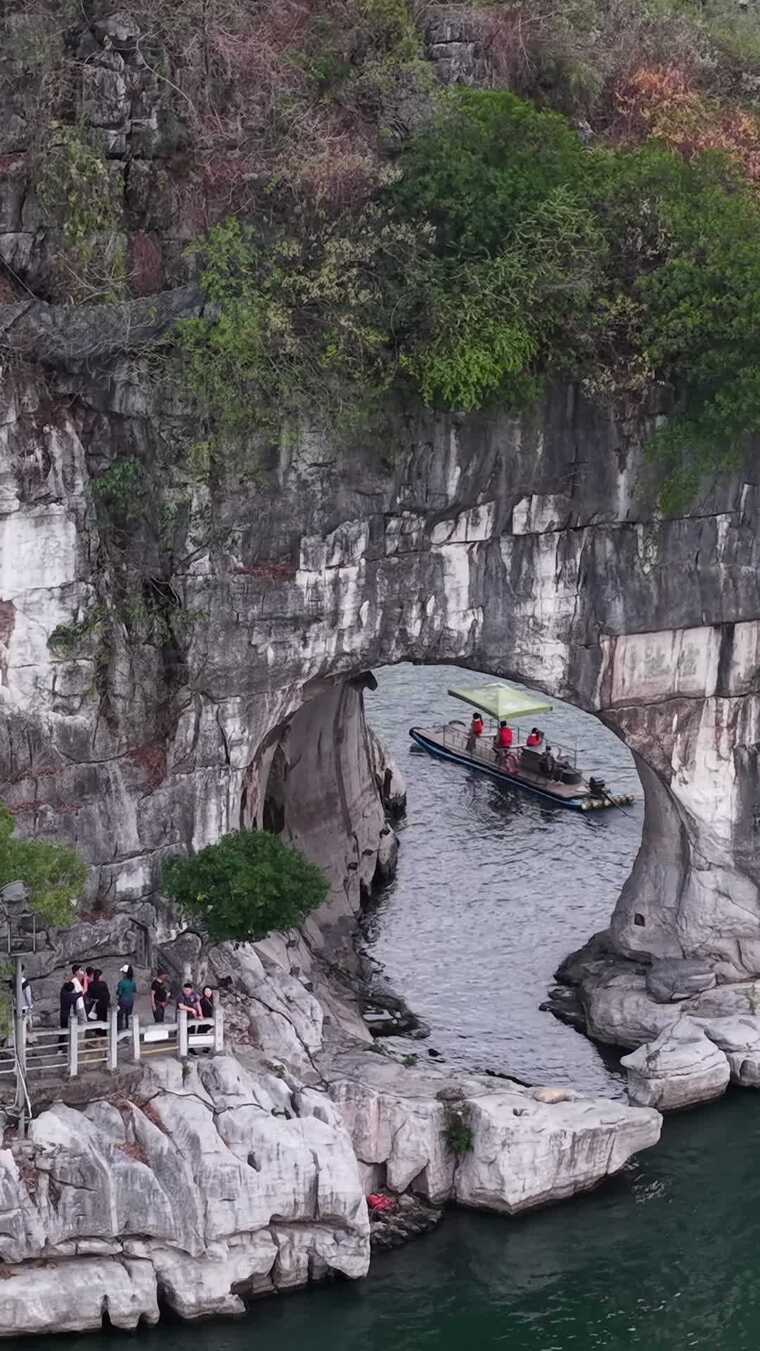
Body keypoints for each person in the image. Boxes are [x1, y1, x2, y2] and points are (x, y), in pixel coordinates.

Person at [116, 964, 137, 1032]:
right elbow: (134, 991)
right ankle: (128, 1032)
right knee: (128, 1016)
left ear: (125, 974)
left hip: (122, 1001)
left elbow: (119, 993)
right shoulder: (133, 982)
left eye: (122, 972)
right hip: (130, 1001)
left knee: (120, 1017)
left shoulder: (121, 983)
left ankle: (119, 1032)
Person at [59, 979, 78, 1050]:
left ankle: (60, 1048)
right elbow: (77, 995)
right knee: (68, 1032)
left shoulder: (63, 991)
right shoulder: (69, 996)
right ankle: (65, 1048)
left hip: (62, 1014)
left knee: (62, 1032)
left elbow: (65, 985)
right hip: (67, 1016)